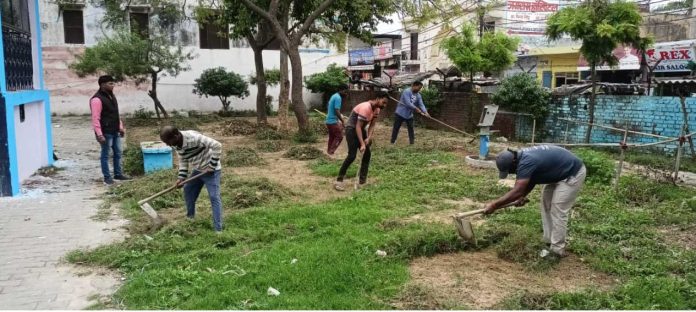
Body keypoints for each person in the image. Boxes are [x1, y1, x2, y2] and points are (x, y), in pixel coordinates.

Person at [483, 145, 587, 260]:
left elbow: (517, 190)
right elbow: (532, 179)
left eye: (510, 171)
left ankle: (557, 250)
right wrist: (522, 196)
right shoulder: (521, 159)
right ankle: (549, 242)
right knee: (546, 205)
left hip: (572, 173)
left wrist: (494, 205)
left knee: (558, 209)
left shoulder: (526, 162)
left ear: (513, 163)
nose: (512, 173)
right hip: (557, 172)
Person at [160, 126, 224, 233]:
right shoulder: (176, 144)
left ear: (176, 135)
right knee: (188, 190)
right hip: (198, 170)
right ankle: (190, 220)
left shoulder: (194, 137)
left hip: (211, 171)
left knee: (214, 197)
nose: (168, 145)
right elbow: (183, 159)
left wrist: (212, 165)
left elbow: (217, 145)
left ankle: (218, 229)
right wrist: (181, 177)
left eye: (168, 141)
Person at [334, 92, 389, 191]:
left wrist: (368, 137)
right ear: (377, 98)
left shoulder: (377, 109)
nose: (384, 105)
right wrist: (362, 143)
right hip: (351, 129)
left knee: (367, 154)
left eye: (385, 104)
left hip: (360, 130)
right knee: (352, 156)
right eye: (383, 102)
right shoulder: (365, 107)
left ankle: (362, 182)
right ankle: (339, 180)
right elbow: (358, 126)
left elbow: (372, 125)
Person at [90, 75, 131, 185]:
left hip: (115, 130)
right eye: (110, 83)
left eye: (113, 83)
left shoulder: (112, 96)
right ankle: (107, 177)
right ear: (103, 85)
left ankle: (118, 174)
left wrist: (120, 127)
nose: (113, 85)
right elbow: (95, 118)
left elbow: (116, 114)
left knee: (118, 152)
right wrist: (99, 134)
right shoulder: (96, 99)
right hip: (105, 132)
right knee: (106, 154)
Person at [325, 85, 349, 158]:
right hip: (332, 121)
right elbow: (336, 110)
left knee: (332, 137)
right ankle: (331, 151)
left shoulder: (334, 96)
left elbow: (331, 107)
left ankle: (329, 151)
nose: (346, 93)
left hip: (328, 120)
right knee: (339, 136)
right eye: (345, 91)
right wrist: (342, 120)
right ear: (340, 90)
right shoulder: (338, 98)